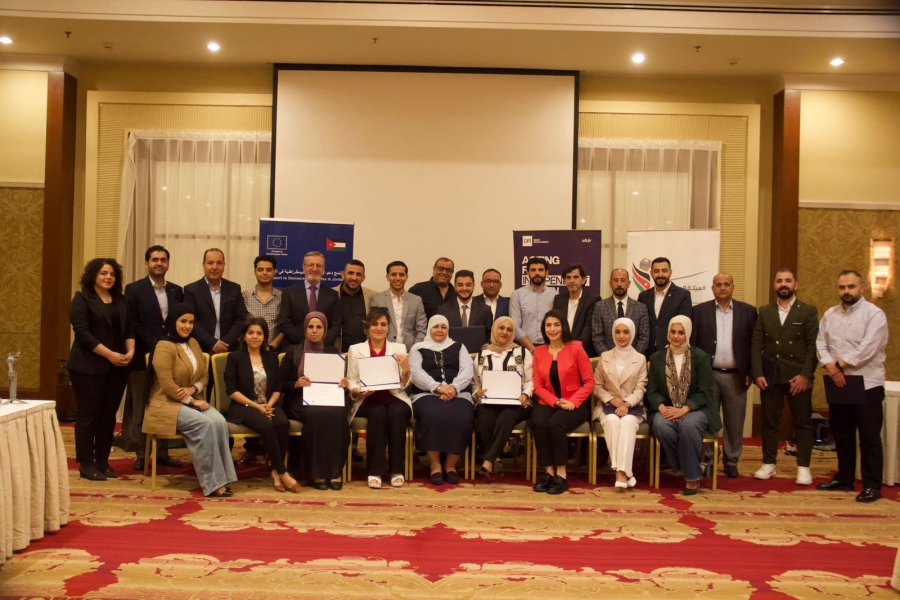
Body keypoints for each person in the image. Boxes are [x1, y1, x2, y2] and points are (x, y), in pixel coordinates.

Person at [142, 303, 236, 497]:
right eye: (183, 321)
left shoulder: (193, 343)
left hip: (191, 397)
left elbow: (204, 376)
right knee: (204, 424)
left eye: (191, 322)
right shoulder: (163, 346)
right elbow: (167, 385)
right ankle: (213, 483)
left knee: (219, 422)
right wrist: (192, 401)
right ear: (173, 321)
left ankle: (224, 477)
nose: (187, 326)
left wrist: (193, 390)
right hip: (166, 404)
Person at [816, 270, 889, 503]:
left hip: (867, 384)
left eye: (851, 286)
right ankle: (844, 478)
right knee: (842, 435)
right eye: (842, 287)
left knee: (869, 438)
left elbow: (868, 348)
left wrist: (838, 366)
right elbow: (821, 343)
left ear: (862, 288)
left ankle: (872, 485)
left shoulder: (874, 314)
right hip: (838, 383)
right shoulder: (830, 314)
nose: (846, 291)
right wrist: (831, 367)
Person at [68, 258, 136, 481]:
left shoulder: (120, 300)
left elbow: (130, 329)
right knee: (89, 415)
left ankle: (103, 462)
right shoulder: (82, 299)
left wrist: (130, 352)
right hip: (88, 367)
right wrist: (110, 355)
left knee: (108, 416)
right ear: (93, 276)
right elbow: (83, 334)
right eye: (103, 273)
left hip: (118, 367)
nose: (108, 277)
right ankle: (86, 464)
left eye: (112, 274)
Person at [750, 268, 819, 486]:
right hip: (771, 375)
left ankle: (803, 467)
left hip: (797, 376)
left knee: (802, 423)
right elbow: (756, 345)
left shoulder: (807, 311)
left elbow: (813, 346)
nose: (783, 284)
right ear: (774, 285)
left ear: (795, 285)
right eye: (779, 281)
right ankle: (768, 463)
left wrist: (805, 375)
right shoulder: (765, 311)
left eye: (788, 281)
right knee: (769, 422)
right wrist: (757, 373)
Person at [691, 273, 758, 478]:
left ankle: (731, 460)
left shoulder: (748, 312)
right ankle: (709, 459)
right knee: (709, 420)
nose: (722, 288)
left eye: (726, 284)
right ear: (712, 288)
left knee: (735, 421)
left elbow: (754, 346)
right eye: (718, 285)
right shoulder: (699, 311)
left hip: (736, 376)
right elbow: (693, 345)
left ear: (732, 287)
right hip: (708, 376)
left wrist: (750, 373)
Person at [123, 245, 183, 472]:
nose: (159, 263)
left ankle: (163, 452)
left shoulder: (177, 291)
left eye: (163, 260)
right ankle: (141, 453)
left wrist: (168, 349)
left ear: (168, 264)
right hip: (143, 357)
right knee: (141, 405)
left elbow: (178, 323)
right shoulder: (133, 290)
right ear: (147, 263)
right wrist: (158, 346)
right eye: (155, 259)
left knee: (166, 404)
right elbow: (133, 323)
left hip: (171, 360)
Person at [647, 316, 721, 495]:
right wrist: (661, 407)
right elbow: (651, 391)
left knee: (689, 424)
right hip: (667, 408)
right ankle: (696, 468)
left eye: (681, 332)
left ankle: (691, 479)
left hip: (697, 409)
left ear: (688, 333)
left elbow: (705, 392)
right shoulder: (657, 358)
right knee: (660, 424)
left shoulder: (700, 357)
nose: (676, 336)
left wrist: (684, 409)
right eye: (673, 332)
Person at [224, 317, 299, 493]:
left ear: (264, 336)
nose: (254, 336)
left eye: (259, 333)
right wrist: (257, 406)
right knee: (266, 425)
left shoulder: (271, 357)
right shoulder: (234, 357)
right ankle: (283, 472)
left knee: (282, 423)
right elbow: (232, 391)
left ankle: (275, 471)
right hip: (244, 406)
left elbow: (277, 388)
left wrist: (268, 405)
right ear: (244, 336)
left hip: (268, 405)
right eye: (250, 333)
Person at [279, 311, 350, 490]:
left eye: (319, 327)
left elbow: (342, 381)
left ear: (325, 330)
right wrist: (296, 384)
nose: (314, 330)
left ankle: (335, 471)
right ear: (305, 329)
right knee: (315, 414)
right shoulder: (293, 351)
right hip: (299, 400)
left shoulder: (333, 352)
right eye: (310, 327)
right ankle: (316, 472)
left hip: (328, 397)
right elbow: (279, 384)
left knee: (339, 413)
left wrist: (344, 383)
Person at [346, 307, 413, 488]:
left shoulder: (399, 348)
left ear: (388, 328)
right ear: (367, 327)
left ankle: (396, 469)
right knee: (378, 413)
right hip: (367, 399)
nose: (379, 328)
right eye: (374, 324)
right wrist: (357, 391)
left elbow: (404, 385)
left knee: (397, 413)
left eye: (383, 324)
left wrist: (406, 370)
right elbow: (351, 381)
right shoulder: (355, 350)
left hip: (394, 396)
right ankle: (375, 470)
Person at [531, 309, 595, 495]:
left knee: (555, 424)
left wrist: (573, 402)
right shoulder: (540, 352)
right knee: (538, 422)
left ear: (564, 327)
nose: (552, 329)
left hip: (575, 403)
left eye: (556, 325)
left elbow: (589, 382)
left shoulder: (576, 348)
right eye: (548, 325)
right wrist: (556, 402)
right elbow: (538, 386)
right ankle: (548, 473)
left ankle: (561, 474)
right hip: (549, 401)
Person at [408, 315, 475, 486]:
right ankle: (435, 464)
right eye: (435, 326)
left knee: (463, 416)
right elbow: (415, 372)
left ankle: (451, 465)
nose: (439, 330)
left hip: (458, 392)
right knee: (432, 415)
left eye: (443, 327)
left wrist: (454, 388)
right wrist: (437, 387)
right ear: (429, 329)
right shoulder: (418, 348)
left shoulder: (459, 347)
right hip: (426, 393)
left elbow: (467, 370)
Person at [472, 316, 532, 477]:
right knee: (485, 417)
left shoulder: (523, 352)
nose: (505, 332)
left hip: (518, 404)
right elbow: (475, 382)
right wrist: (477, 393)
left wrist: (525, 394)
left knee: (506, 416)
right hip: (489, 403)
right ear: (494, 330)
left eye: (509, 329)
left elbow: (531, 379)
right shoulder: (482, 354)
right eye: (501, 328)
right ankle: (495, 458)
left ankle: (489, 460)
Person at [592, 317, 648, 489]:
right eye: (617, 332)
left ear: (632, 334)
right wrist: (611, 400)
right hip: (608, 405)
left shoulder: (640, 359)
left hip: (633, 407)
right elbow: (597, 386)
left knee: (628, 422)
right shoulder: (605, 357)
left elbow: (641, 388)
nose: (621, 336)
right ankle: (625, 473)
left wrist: (627, 404)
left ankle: (620, 472)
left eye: (625, 332)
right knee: (612, 421)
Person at [183, 248, 248, 355]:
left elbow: (240, 318)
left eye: (219, 263)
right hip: (201, 349)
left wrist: (225, 343)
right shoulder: (191, 290)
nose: (215, 267)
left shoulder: (234, 288)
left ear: (224, 265)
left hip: (230, 349)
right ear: (203, 265)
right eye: (210, 263)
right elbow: (191, 321)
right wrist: (213, 343)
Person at [277, 251, 341, 348]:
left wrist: (321, 343)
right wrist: (307, 342)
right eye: (311, 265)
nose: (314, 269)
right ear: (304, 267)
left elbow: (336, 325)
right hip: (295, 347)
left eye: (319, 265)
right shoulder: (289, 293)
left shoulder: (332, 295)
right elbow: (284, 322)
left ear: (323, 268)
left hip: (323, 348)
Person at [637, 257, 692, 360]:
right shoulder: (643, 296)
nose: (660, 275)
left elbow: (684, 326)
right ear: (651, 273)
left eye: (664, 271)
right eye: (656, 271)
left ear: (670, 272)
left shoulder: (683, 295)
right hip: (647, 352)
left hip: (672, 351)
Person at [369, 261, 427, 351]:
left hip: (409, 350)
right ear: (387, 277)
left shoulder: (416, 300)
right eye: (393, 274)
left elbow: (422, 330)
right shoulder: (376, 299)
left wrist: (413, 350)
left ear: (406, 277)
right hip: (383, 351)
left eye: (401, 275)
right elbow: (372, 328)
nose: (398, 278)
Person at [592, 267, 650, 356]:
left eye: (623, 280)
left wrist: (633, 358)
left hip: (633, 360)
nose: (619, 284)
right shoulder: (600, 307)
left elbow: (644, 338)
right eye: (615, 280)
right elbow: (597, 338)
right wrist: (608, 357)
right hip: (608, 359)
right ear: (610, 284)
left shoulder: (641, 308)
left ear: (629, 283)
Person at [510, 257, 556, 353]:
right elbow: (515, 326)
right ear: (527, 273)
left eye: (540, 270)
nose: (537, 273)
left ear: (547, 272)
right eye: (533, 270)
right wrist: (533, 350)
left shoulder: (554, 295)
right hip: (525, 349)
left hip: (550, 348)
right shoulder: (517, 294)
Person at [552, 264, 599, 358]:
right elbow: (556, 326)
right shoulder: (558, 299)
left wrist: (573, 351)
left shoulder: (593, 300)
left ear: (583, 279)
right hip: (561, 352)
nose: (571, 281)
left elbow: (588, 330)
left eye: (576, 277)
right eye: (568, 277)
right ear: (564, 281)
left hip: (583, 353)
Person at [437, 269, 493, 345]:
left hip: (478, 351)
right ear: (455, 286)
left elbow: (490, 336)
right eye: (460, 285)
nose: (464, 288)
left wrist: (488, 344)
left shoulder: (485, 310)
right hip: (451, 352)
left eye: (468, 285)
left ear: (473, 286)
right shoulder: (443, 310)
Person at [242, 254, 284, 351]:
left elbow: (285, 325)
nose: (265, 273)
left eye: (269, 270)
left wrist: (272, 346)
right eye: (260, 270)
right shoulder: (244, 296)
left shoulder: (283, 297)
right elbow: (239, 324)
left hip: (275, 351)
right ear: (255, 272)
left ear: (274, 272)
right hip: (248, 351)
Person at [333, 259, 376, 352]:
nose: (354, 278)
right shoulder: (331, 294)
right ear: (343, 274)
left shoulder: (372, 296)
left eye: (358, 274)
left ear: (363, 278)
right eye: (350, 273)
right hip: (338, 352)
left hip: (365, 353)